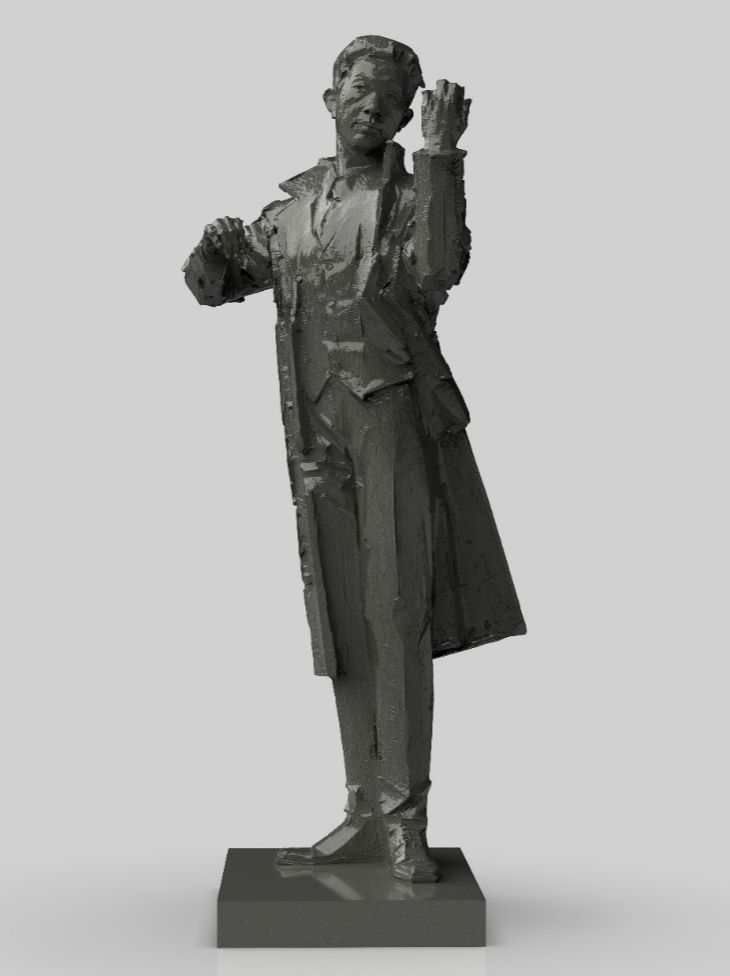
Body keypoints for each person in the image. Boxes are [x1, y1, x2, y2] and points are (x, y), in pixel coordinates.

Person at [183, 35, 525, 884]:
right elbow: (220, 283)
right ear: (330, 99)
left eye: (393, 99)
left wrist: (443, 157)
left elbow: (438, 269)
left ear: (406, 118)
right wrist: (210, 254)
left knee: (396, 612)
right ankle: (365, 811)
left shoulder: (410, 198)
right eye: (361, 88)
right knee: (344, 618)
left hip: (392, 416)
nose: (374, 105)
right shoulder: (290, 211)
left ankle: (405, 818)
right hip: (316, 430)